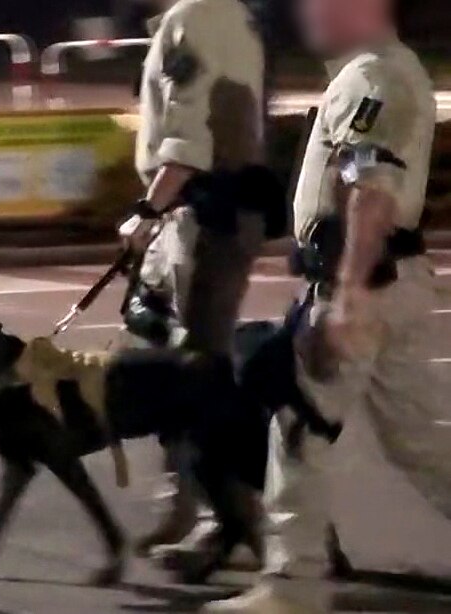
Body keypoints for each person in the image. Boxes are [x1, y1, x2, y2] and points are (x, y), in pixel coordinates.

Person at [206, 0, 450, 612]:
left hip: (367, 279)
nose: (307, 11)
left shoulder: (375, 76)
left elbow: (370, 189)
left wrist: (346, 296)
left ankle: (292, 587)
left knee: (299, 424)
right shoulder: (380, 70)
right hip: (391, 277)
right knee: (415, 439)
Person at [122, 0, 271, 560]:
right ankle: (188, 505)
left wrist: (145, 210)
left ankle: (227, 520)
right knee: (173, 364)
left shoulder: (195, 17)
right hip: (213, 215)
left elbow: (189, 142)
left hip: (206, 217)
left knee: (197, 376)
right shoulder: (230, 15)